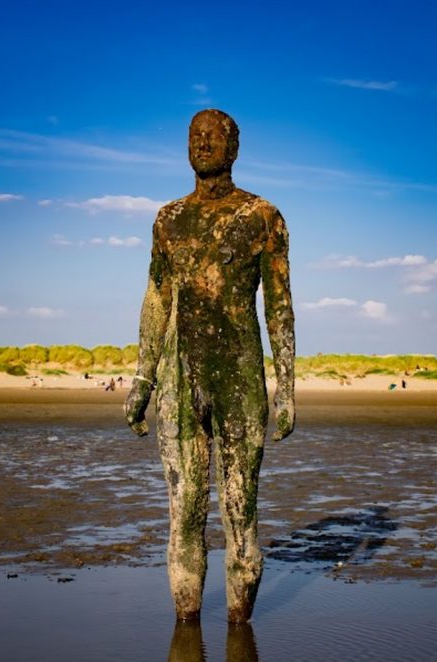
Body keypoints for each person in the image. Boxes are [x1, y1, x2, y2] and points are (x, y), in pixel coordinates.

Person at [124, 108, 295, 624]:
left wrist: (285, 386)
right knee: (185, 511)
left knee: (241, 516)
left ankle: (240, 630)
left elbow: (279, 306)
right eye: (194, 136)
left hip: (238, 373)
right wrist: (141, 377)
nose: (202, 143)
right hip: (178, 375)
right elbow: (157, 298)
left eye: (213, 136)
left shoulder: (262, 216)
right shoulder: (168, 219)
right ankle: (186, 629)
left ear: (233, 148)